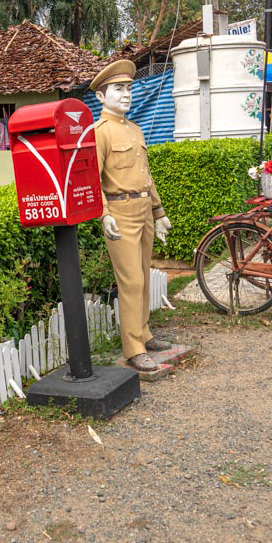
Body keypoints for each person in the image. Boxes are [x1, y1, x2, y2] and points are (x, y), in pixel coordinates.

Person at [90, 60, 173, 373]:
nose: (126, 94)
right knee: (131, 281)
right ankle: (133, 348)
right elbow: (93, 180)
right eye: (118, 89)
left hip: (143, 210)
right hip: (120, 211)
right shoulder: (99, 133)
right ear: (101, 96)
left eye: (128, 88)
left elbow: (145, 176)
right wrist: (104, 215)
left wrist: (158, 211)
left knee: (143, 275)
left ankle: (144, 333)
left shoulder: (135, 129)